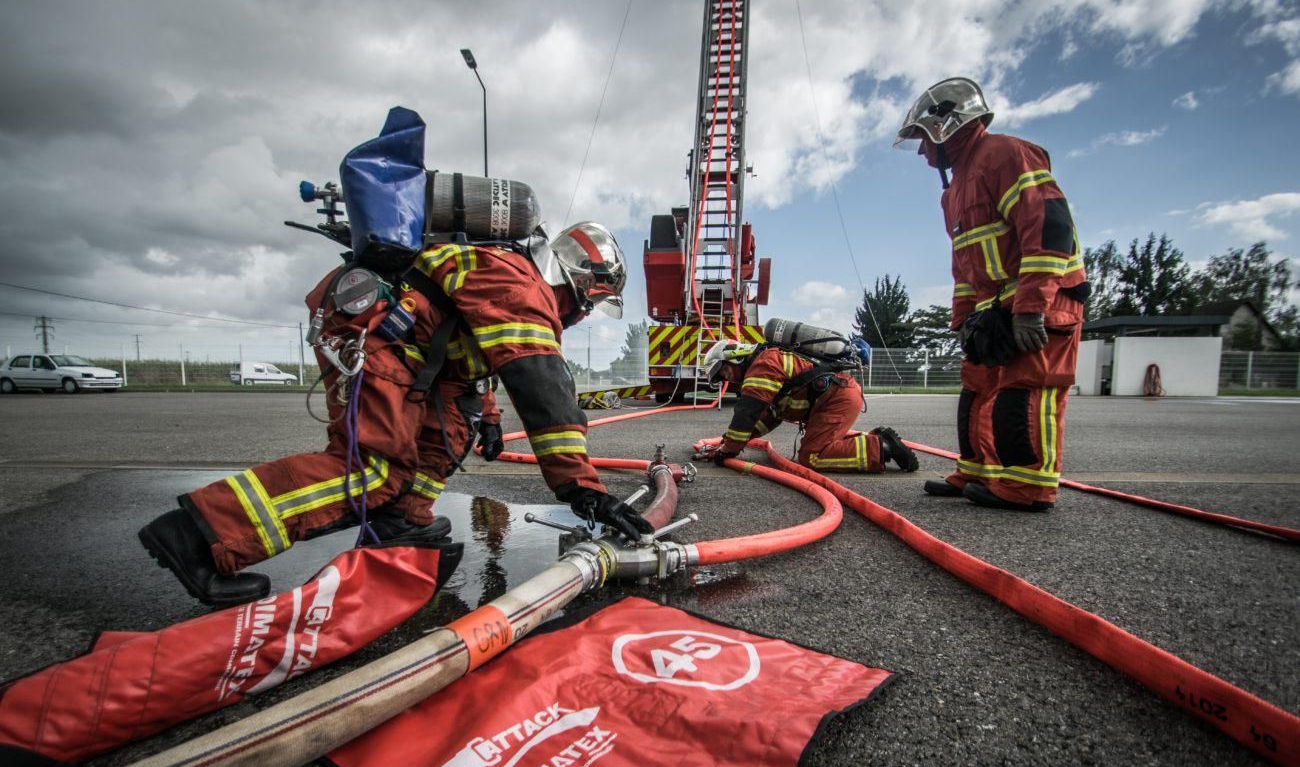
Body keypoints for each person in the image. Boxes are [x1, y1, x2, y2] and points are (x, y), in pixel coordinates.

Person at [139, 222, 652, 606]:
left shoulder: (509, 277)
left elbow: (482, 357)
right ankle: (202, 534)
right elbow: (541, 382)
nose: (583, 315)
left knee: (445, 438)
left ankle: (399, 526)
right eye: (591, 304)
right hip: (379, 338)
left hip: (416, 353)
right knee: (375, 469)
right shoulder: (521, 284)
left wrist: (489, 416)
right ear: (582, 284)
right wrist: (582, 488)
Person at [895, 77, 1088, 512]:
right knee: (977, 389)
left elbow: (1049, 228)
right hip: (994, 306)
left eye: (923, 139)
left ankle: (1029, 486)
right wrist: (964, 320)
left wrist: (1031, 307)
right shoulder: (953, 192)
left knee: (1027, 389)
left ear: (945, 125)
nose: (922, 152)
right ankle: (978, 472)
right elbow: (965, 264)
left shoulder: (1006, 154)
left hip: (1042, 297)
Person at [696, 340, 918, 473]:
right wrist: (728, 442)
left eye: (724, 372)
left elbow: (747, 413)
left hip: (836, 400)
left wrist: (727, 451)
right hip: (836, 396)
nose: (728, 379)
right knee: (818, 449)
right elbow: (769, 417)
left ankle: (881, 447)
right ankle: (877, 440)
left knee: (813, 456)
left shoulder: (763, 365)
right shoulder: (766, 362)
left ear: (734, 357)